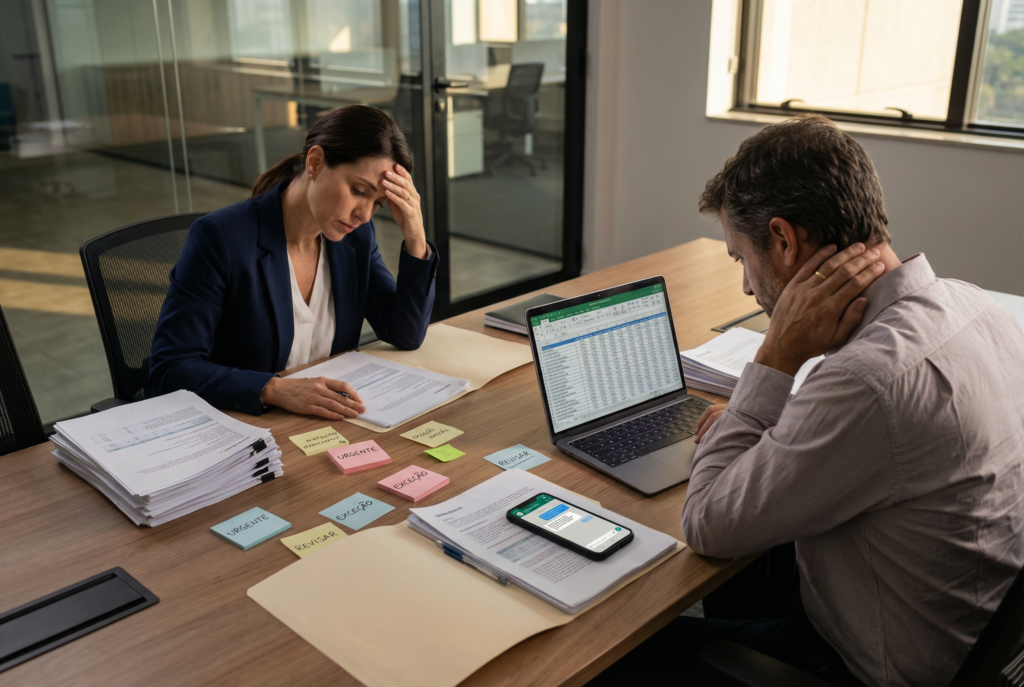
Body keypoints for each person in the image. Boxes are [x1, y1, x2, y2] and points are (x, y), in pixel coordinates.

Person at [590, 115, 1024, 686]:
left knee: (618, 644)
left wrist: (773, 359)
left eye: (741, 258)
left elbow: (706, 523)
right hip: (966, 634)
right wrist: (778, 414)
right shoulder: (974, 305)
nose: (747, 285)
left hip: (869, 664)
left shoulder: (867, 382)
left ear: (784, 241)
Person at [150, 105, 439, 418]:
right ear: (315, 162)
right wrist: (274, 389)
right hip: (245, 426)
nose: (365, 214)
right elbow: (169, 369)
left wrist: (415, 237)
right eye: (358, 191)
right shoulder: (221, 238)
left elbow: (405, 333)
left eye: (378, 203)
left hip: (324, 426)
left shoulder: (357, 238)